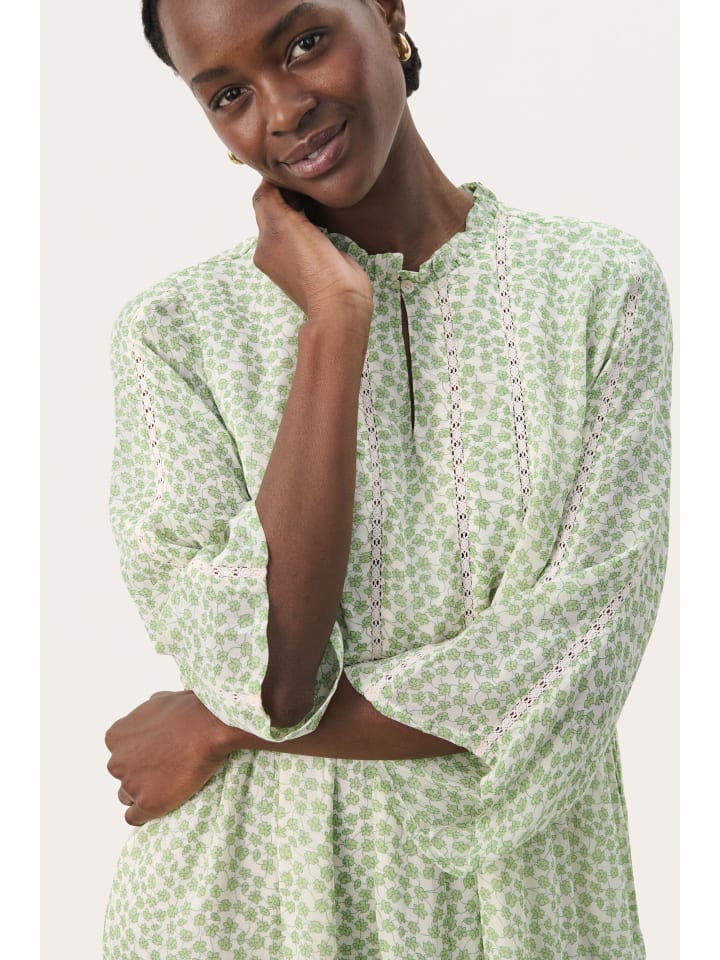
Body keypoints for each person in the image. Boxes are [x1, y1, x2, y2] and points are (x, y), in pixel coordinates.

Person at [103, 1, 672, 957]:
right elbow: (272, 677)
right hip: (256, 899)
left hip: (526, 896)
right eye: (229, 94)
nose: (283, 109)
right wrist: (334, 320)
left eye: (305, 42)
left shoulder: (596, 289)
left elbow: (576, 659)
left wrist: (217, 727)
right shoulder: (175, 335)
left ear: (387, 11)